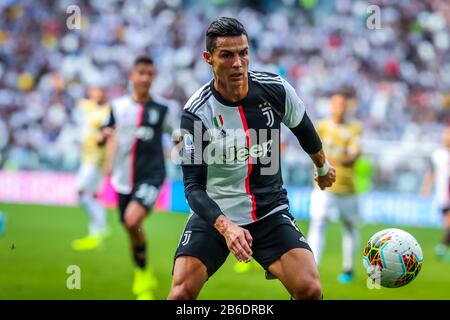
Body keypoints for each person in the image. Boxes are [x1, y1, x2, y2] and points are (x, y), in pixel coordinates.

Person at [168, 17, 336, 300]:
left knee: (310, 290)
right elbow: (192, 187)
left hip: (268, 209)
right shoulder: (196, 114)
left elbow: (304, 129)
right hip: (215, 213)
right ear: (208, 58)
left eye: (243, 53)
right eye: (227, 55)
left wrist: (322, 167)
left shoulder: (276, 90)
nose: (237, 63)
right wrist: (226, 226)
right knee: (181, 294)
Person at [100, 56, 171, 300]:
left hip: (151, 175)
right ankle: (143, 270)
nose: (145, 78)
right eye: (141, 73)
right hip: (122, 178)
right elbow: (105, 131)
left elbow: (180, 133)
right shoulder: (118, 106)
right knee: (130, 228)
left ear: (154, 77)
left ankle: (141, 275)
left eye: (150, 74)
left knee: (132, 221)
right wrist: (104, 140)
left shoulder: (163, 108)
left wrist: (185, 147)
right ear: (132, 75)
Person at [306, 91, 362, 284]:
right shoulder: (321, 126)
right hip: (323, 185)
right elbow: (311, 150)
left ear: (347, 107)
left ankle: (348, 269)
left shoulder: (355, 128)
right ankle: (313, 266)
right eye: (336, 104)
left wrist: (329, 160)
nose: (339, 108)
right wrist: (327, 162)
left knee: (349, 226)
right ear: (331, 106)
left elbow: (354, 156)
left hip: (347, 187)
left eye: (343, 105)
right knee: (318, 223)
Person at [72, 84, 111, 251]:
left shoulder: (107, 112)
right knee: (93, 195)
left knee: (81, 191)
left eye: (100, 91)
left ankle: (100, 225)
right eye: (94, 90)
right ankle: (100, 227)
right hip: (86, 156)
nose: (97, 94)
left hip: (96, 158)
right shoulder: (88, 106)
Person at [421, 127, 450, 261]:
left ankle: (442, 248)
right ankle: (442, 248)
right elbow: (431, 173)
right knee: (448, 222)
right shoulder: (438, 154)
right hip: (444, 193)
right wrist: (426, 188)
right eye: (446, 135)